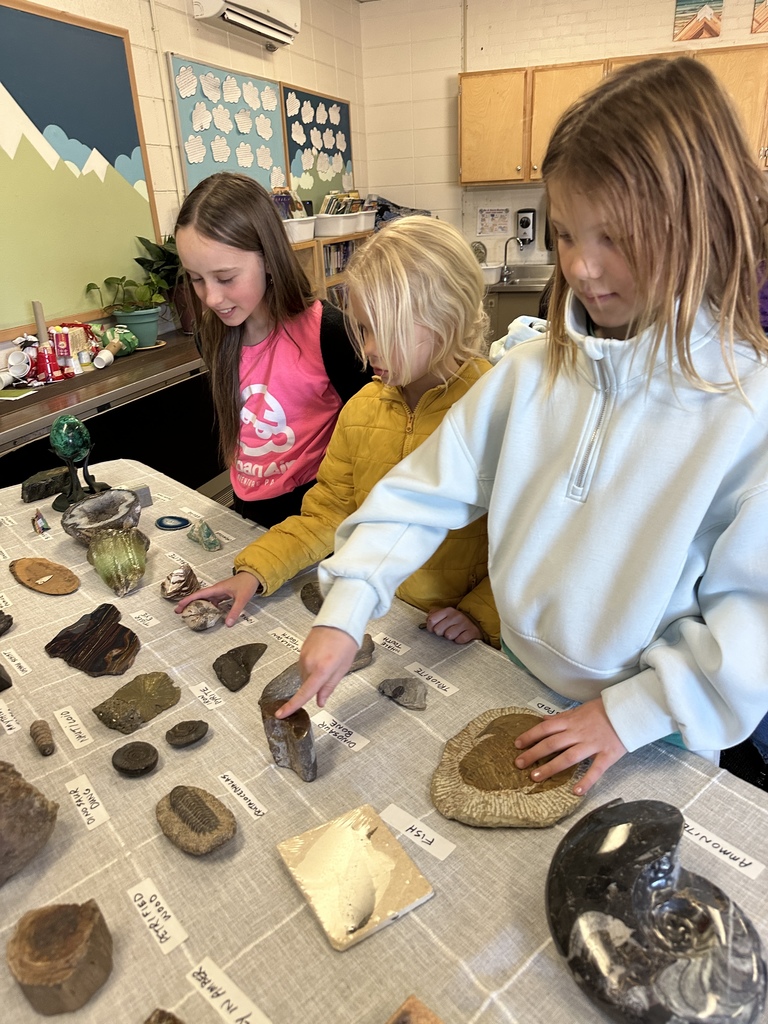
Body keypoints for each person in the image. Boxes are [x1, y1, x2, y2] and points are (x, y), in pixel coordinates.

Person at [276, 58, 768, 800]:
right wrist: (347, 608)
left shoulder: (747, 406)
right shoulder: (530, 374)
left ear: (699, 220)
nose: (581, 265)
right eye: (567, 233)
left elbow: (752, 616)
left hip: (654, 726)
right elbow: (419, 495)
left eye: (615, 238)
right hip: (513, 674)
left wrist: (633, 711)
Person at [176, 217, 500, 649]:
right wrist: (254, 572)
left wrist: (479, 612)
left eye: (383, 329)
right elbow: (327, 515)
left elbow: (530, 544)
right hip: (381, 618)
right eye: (363, 329)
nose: (366, 349)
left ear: (446, 316)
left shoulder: (498, 410)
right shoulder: (362, 409)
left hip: (459, 629)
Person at [174, 172, 371, 528]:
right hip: (248, 509)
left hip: (316, 518)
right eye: (196, 278)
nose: (211, 298)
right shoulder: (211, 335)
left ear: (268, 258)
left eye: (226, 277)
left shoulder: (331, 334)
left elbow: (374, 435)